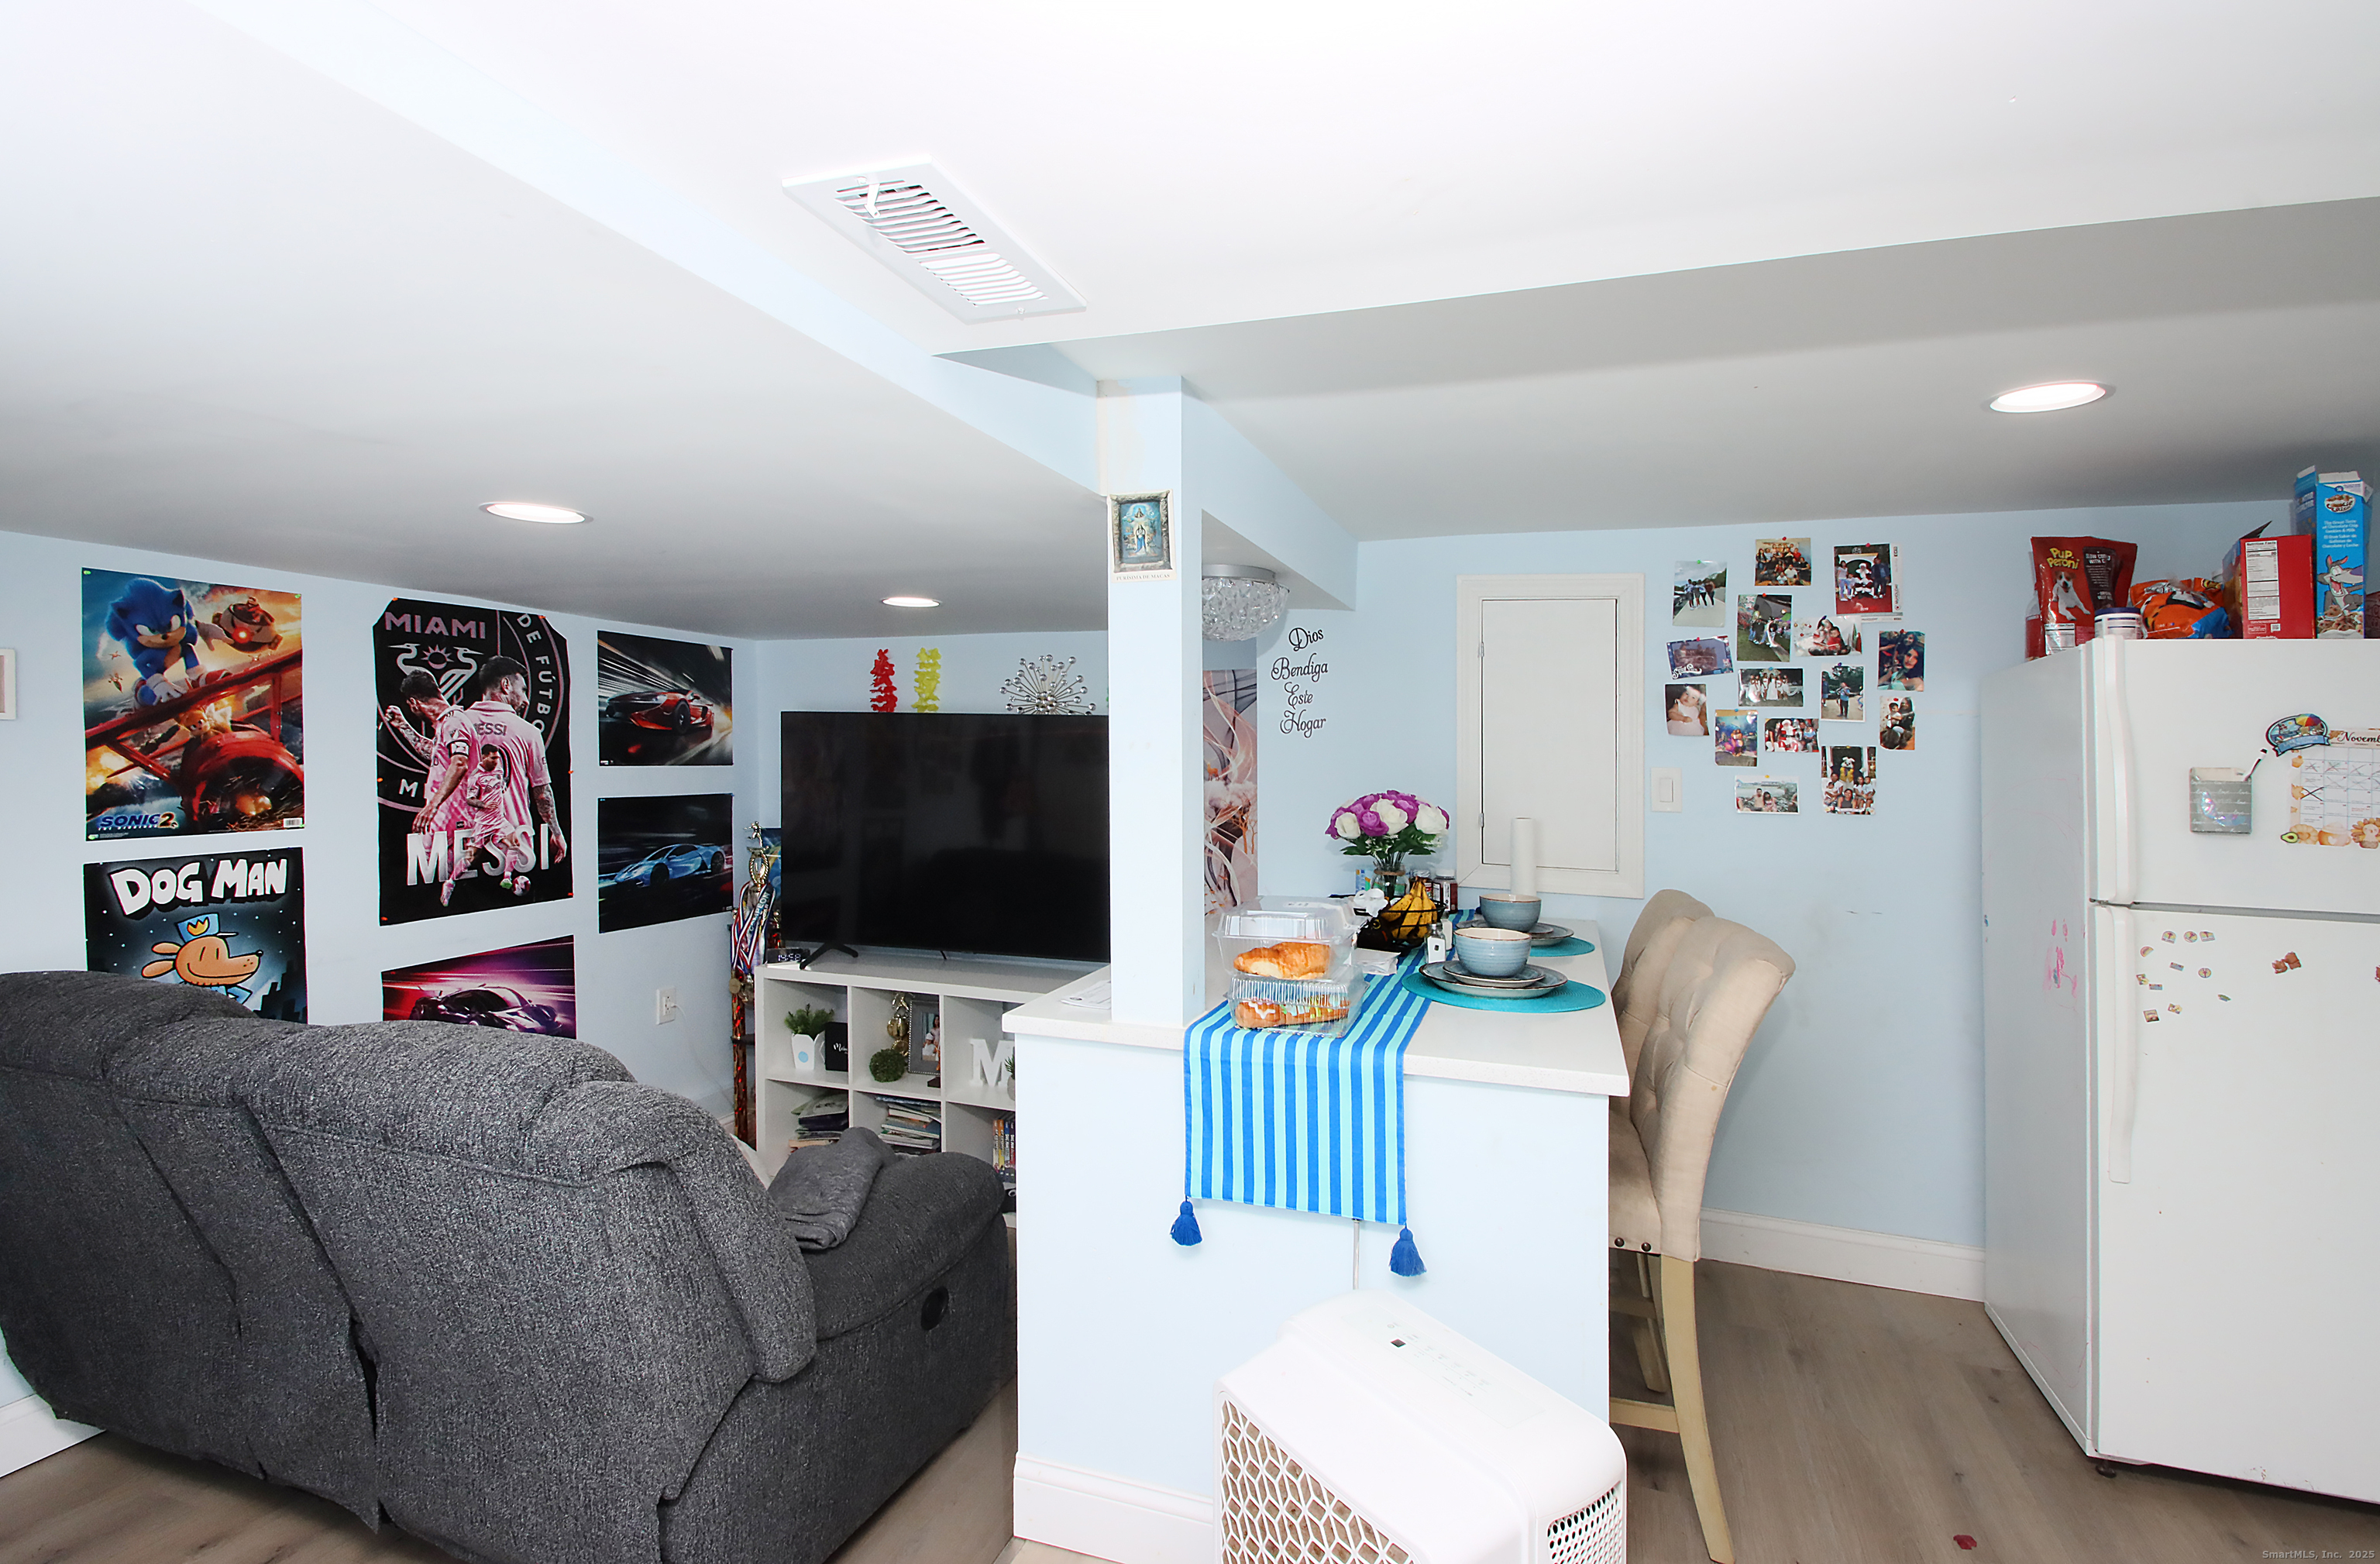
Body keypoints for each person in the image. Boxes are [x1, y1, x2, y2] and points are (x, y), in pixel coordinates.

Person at [414, 656, 569, 882]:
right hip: (512, 851)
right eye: (523, 690)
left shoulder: (457, 722)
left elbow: (435, 756)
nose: (526, 700)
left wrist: (403, 727)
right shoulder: (529, 732)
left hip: (460, 847)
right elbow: (542, 794)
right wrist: (556, 832)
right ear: (506, 685)